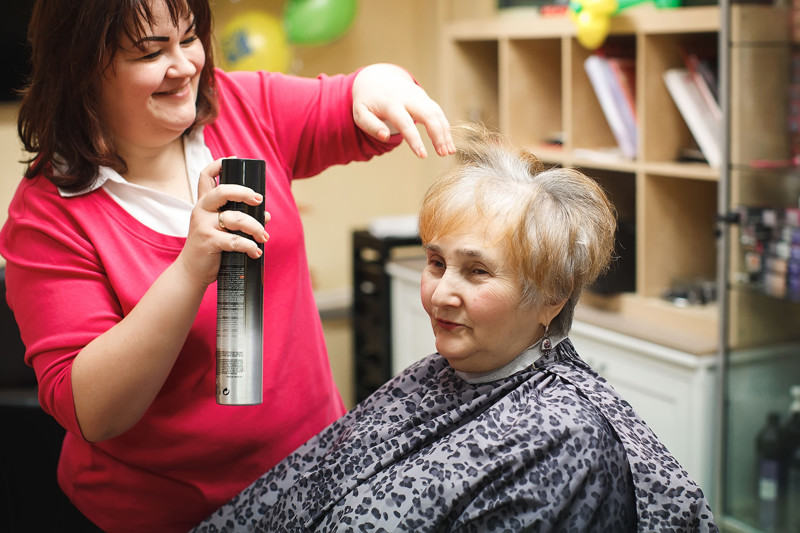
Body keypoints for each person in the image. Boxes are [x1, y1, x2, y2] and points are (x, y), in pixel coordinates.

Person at [0, 0, 455, 531]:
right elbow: (92, 411)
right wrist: (191, 270)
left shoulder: (242, 105)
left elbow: (351, 101)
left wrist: (385, 81)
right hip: (162, 518)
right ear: (81, 68)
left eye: (189, 39)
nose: (185, 65)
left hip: (311, 485)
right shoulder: (47, 214)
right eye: (151, 51)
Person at [194, 123, 719, 532]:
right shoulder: (443, 374)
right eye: (437, 263)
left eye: (478, 271)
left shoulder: (564, 441)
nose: (442, 293)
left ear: (551, 298)